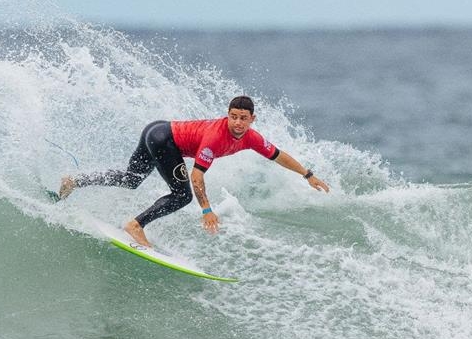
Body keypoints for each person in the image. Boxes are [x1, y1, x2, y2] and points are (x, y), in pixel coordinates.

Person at [59, 96, 329, 247]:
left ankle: (75, 181)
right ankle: (136, 225)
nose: (237, 122)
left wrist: (308, 175)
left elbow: (279, 156)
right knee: (182, 196)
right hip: (164, 139)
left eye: (243, 118)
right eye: (233, 116)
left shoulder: (252, 138)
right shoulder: (216, 137)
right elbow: (197, 176)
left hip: (156, 130)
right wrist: (207, 210)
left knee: (131, 180)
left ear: (252, 119)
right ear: (227, 114)